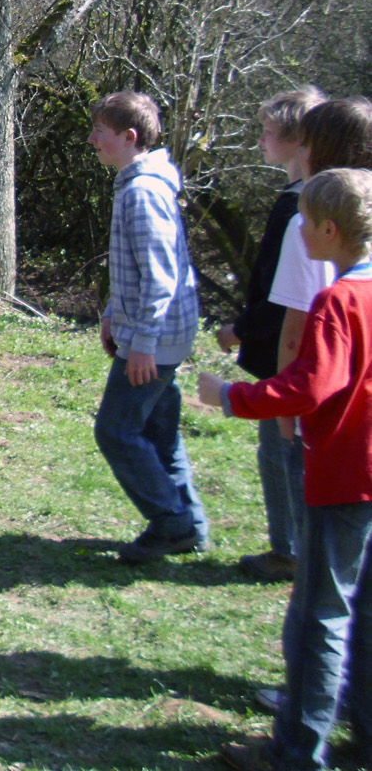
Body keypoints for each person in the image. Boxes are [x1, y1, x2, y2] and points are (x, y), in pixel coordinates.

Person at [199, 168, 372, 771]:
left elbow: (308, 387)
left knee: (318, 616)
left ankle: (296, 751)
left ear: (328, 230)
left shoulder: (338, 301)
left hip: (345, 476)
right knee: (363, 611)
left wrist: (231, 396)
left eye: (302, 222)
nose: (295, 231)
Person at [87, 90, 209, 564]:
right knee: (159, 432)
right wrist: (112, 313)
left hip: (155, 339)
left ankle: (171, 524)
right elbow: (133, 269)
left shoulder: (142, 192)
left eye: (100, 131)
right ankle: (190, 523)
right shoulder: (137, 184)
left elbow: (160, 276)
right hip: (155, 333)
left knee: (116, 431)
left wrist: (143, 345)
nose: (92, 139)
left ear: (129, 136)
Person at [215, 88, 325, 582]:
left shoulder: (300, 206)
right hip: (303, 351)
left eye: (267, 130)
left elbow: (283, 295)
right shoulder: (320, 197)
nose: (259, 139)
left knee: (281, 451)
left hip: (287, 353)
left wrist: (240, 330)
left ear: (298, 138)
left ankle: (291, 551)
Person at [264, 98, 372, 573]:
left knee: (320, 539)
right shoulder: (363, 212)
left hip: (319, 401)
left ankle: (297, 558)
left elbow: (295, 328)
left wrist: (282, 404)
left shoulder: (305, 223)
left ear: (318, 149)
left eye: (305, 141)